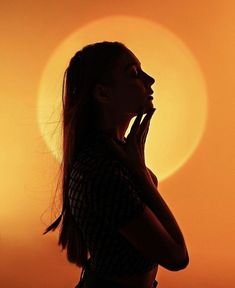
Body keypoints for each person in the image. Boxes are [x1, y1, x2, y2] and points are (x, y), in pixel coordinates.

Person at [43, 41, 189, 288]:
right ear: (102, 94)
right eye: (133, 73)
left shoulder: (113, 158)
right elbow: (176, 257)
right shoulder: (100, 171)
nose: (149, 80)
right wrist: (141, 174)